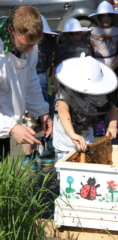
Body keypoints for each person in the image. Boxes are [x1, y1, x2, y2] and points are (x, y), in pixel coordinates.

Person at [0, 6, 52, 165]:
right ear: (11, 30)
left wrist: (42, 112)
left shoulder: (29, 44)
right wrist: (12, 128)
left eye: (34, 44)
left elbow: (30, 79)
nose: (30, 50)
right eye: (25, 45)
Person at [53, 53, 118, 170]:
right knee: (66, 180)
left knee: (86, 178)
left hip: (87, 139)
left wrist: (113, 124)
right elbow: (62, 110)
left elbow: (111, 107)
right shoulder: (66, 91)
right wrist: (72, 134)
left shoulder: (100, 93)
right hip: (64, 143)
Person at [22, 15, 58, 170]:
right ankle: (28, 157)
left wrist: (50, 84)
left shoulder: (47, 46)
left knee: (43, 122)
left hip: (42, 82)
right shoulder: (24, 49)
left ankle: (39, 153)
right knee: (29, 123)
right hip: (27, 90)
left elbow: (49, 66)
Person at [89, 1, 118, 135]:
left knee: (113, 96)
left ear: (112, 17)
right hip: (99, 68)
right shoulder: (94, 32)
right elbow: (93, 49)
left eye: (108, 16)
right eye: (102, 16)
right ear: (98, 18)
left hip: (114, 67)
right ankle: (99, 123)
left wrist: (113, 65)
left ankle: (114, 123)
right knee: (99, 95)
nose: (105, 19)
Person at [52, 18, 92, 94]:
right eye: (71, 34)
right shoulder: (60, 49)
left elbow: (89, 68)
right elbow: (55, 68)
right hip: (64, 85)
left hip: (81, 84)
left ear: (81, 33)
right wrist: (55, 85)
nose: (74, 37)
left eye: (77, 34)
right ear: (65, 34)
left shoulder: (85, 49)